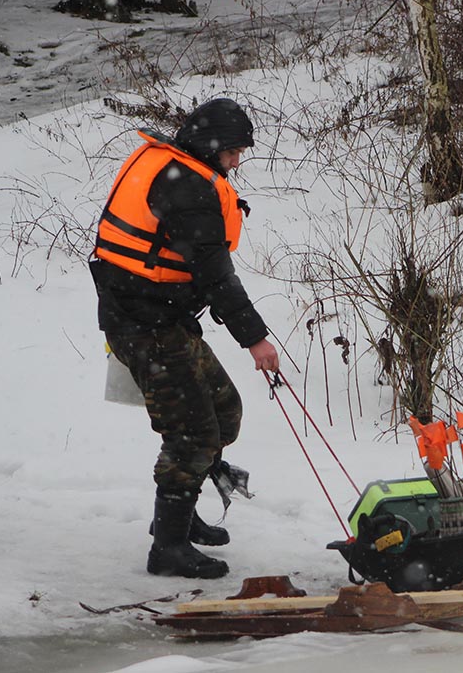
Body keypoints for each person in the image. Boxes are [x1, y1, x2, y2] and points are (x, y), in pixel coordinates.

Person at [90, 98, 279, 579]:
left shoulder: (179, 168)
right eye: (234, 152)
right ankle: (168, 547)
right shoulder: (188, 187)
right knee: (193, 432)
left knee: (223, 412)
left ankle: (180, 513)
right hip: (144, 324)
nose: (237, 162)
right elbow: (214, 274)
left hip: (162, 315)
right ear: (208, 145)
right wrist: (255, 339)